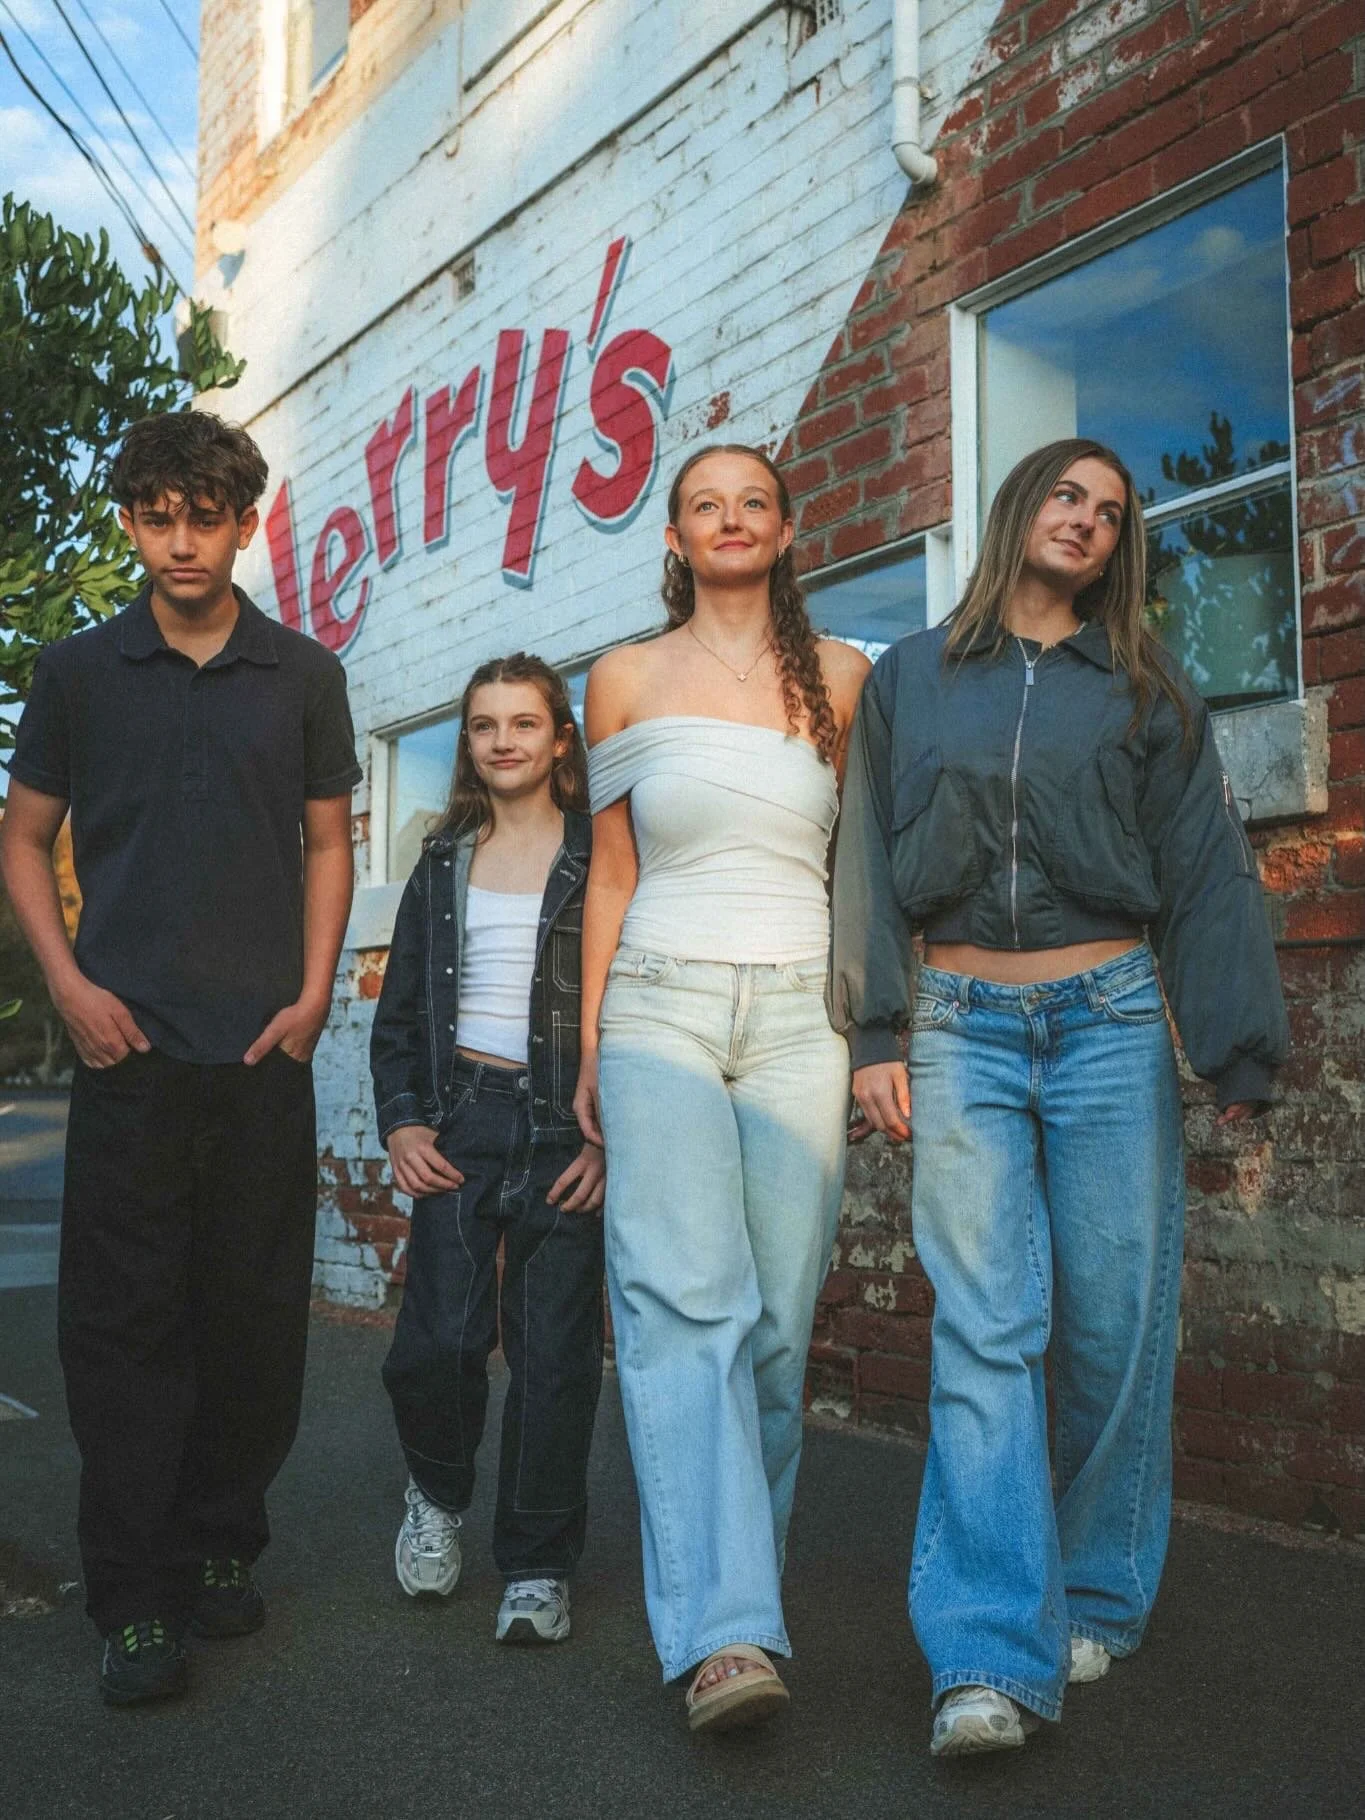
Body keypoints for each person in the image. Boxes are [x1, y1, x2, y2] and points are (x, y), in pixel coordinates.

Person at [832, 437, 1288, 1757]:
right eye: (1064, 493)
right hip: (960, 1026)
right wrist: (875, 1027)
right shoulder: (912, 677)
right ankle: (980, 1650)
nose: (1084, 518)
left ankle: (1092, 1591)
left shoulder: (1145, 691)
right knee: (985, 1329)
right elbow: (862, 851)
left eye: (1109, 511)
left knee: (1113, 1328)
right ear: (1017, 506)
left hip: (1107, 1026)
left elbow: (1204, 873)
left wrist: (1236, 1052)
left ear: (1119, 545)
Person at [0, 411, 360, 1705]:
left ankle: (221, 1544)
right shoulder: (79, 675)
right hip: (128, 1054)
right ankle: (136, 1596)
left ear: (246, 521)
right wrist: (69, 982)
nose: (181, 538)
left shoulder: (305, 677)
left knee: (253, 1321)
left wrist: (317, 993)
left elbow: (328, 843)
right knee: (124, 1329)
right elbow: (22, 838)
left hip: (264, 1051)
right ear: (132, 523)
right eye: (157, 514)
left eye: (205, 514)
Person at [574, 443, 869, 1731]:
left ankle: (736, 1581)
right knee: (682, 1303)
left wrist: (885, 1028)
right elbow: (611, 876)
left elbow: (869, 873)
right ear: (677, 539)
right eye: (707, 504)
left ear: (790, 528)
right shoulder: (624, 679)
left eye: (755, 500)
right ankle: (725, 1634)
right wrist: (590, 1047)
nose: (732, 518)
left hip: (804, 1016)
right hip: (659, 1009)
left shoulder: (849, 677)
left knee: (775, 1328)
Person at [371, 654, 605, 1646]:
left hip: (566, 1128)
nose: (503, 738)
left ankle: (539, 1563)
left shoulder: (605, 854)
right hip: (463, 1115)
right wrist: (403, 1120)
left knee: (553, 1357)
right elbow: (399, 1006)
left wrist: (616, 1131)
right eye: (482, 724)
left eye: (524, 721)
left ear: (561, 737)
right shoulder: (439, 858)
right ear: (468, 745)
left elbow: (632, 993)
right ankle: (436, 1491)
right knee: (435, 1342)